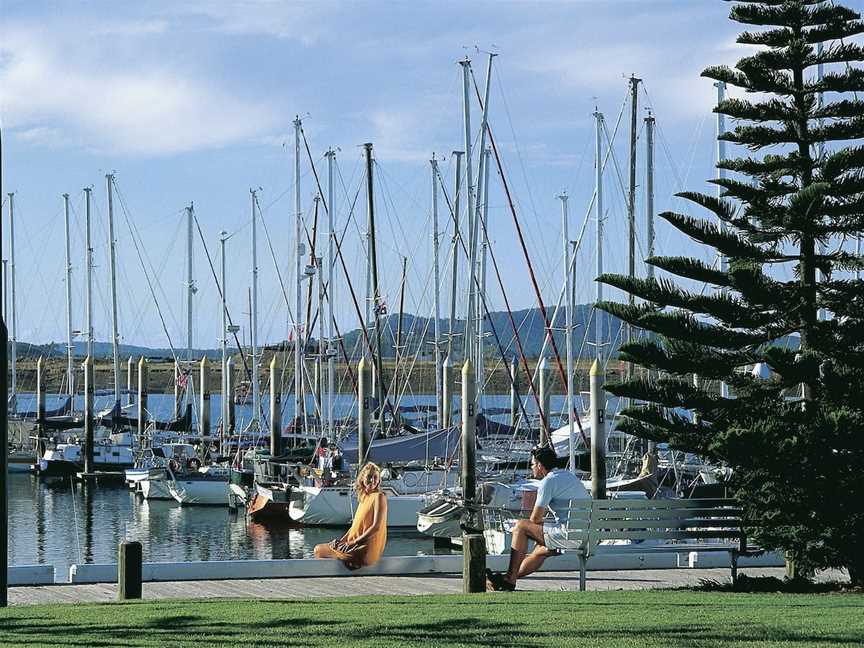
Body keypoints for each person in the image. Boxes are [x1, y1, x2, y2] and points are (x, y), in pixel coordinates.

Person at [486, 445, 589, 591]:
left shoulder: (548, 481)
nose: (531, 468)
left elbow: (535, 519)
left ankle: (509, 578)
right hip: (587, 535)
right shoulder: (568, 476)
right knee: (541, 549)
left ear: (540, 465)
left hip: (570, 535)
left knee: (521, 526)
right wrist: (541, 534)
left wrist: (536, 532)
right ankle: (507, 580)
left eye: (533, 464)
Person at [313, 462, 388, 570]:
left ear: (379, 480)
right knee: (331, 546)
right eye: (369, 477)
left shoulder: (379, 497)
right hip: (357, 548)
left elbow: (376, 527)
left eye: (375, 477)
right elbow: (355, 528)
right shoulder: (365, 498)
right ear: (362, 478)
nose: (372, 480)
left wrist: (352, 543)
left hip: (364, 551)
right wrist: (341, 542)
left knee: (318, 550)